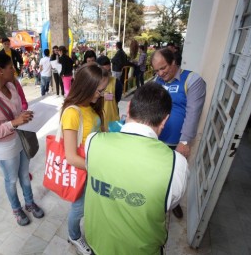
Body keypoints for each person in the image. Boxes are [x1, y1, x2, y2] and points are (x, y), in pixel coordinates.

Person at [84, 82, 189, 255]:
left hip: (97, 243)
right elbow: (169, 204)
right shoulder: (176, 164)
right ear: (165, 120)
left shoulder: (93, 141)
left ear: (130, 106)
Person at [0, 52, 44, 226]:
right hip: (5, 149)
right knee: (11, 180)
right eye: (11, 67)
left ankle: (29, 202)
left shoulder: (12, 86)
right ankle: (16, 208)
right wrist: (13, 123)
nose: (15, 70)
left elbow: (16, 113)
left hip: (21, 140)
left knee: (25, 176)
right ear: (0, 71)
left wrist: (24, 116)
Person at [152, 48, 206, 218]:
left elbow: (193, 113)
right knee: (155, 173)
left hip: (177, 143)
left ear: (173, 62)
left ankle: (173, 203)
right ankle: (155, 200)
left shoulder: (192, 80)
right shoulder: (156, 81)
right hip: (156, 140)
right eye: (156, 70)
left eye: (163, 68)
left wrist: (184, 142)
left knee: (175, 177)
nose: (160, 73)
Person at [61, 63, 109, 255]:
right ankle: (73, 235)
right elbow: (71, 157)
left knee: (89, 203)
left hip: (94, 165)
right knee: (79, 207)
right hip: (84, 168)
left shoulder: (92, 105)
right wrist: (98, 167)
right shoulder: (72, 113)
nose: (102, 94)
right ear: (87, 87)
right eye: (100, 90)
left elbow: (100, 130)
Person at [96, 55, 123, 127]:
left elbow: (117, 99)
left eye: (109, 71)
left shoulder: (116, 83)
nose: (107, 74)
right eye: (104, 72)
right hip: (96, 124)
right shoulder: (92, 83)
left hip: (112, 124)